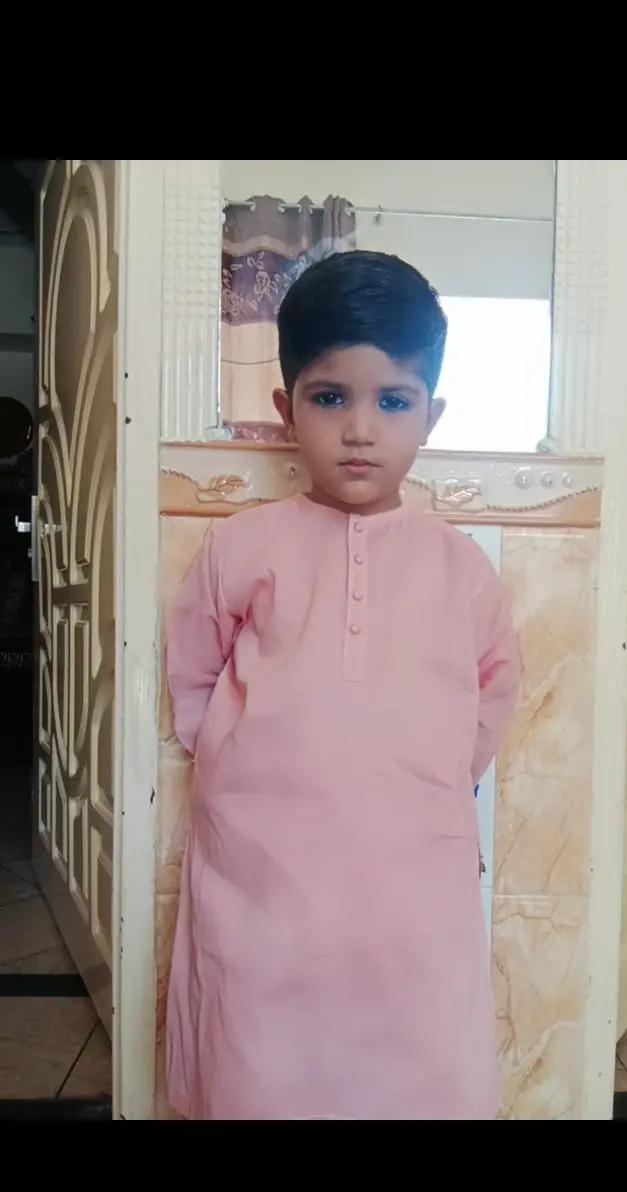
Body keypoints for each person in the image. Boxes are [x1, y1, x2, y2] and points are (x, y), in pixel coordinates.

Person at [166, 251, 520, 1120]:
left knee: (420, 1056)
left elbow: (490, 695)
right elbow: (194, 676)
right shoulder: (241, 547)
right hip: (262, 876)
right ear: (286, 409)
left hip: (411, 881)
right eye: (331, 398)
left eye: (392, 401)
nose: (360, 429)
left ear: (431, 414)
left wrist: (425, 784)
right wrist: (246, 772)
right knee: (256, 1054)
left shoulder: (461, 569)